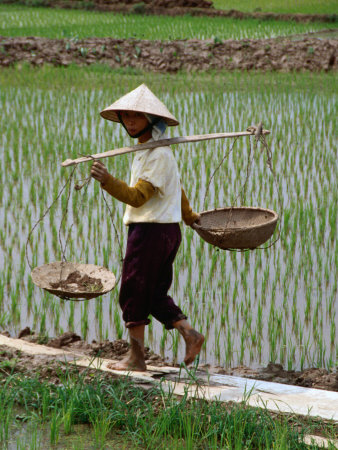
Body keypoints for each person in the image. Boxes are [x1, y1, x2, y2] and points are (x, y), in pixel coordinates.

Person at [91, 84, 204, 371]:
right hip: (166, 231)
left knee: (132, 291)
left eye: (136, 116)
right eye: (126, 116)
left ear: (151, 120)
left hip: (150, 232)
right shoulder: (149, 150)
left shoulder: (158, 155)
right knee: (153, 293)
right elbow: (176, 190)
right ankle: (190, 334)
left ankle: (136, 359)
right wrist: (189, 217)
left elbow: (138, 197)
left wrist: (107, 181)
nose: (129, 121)